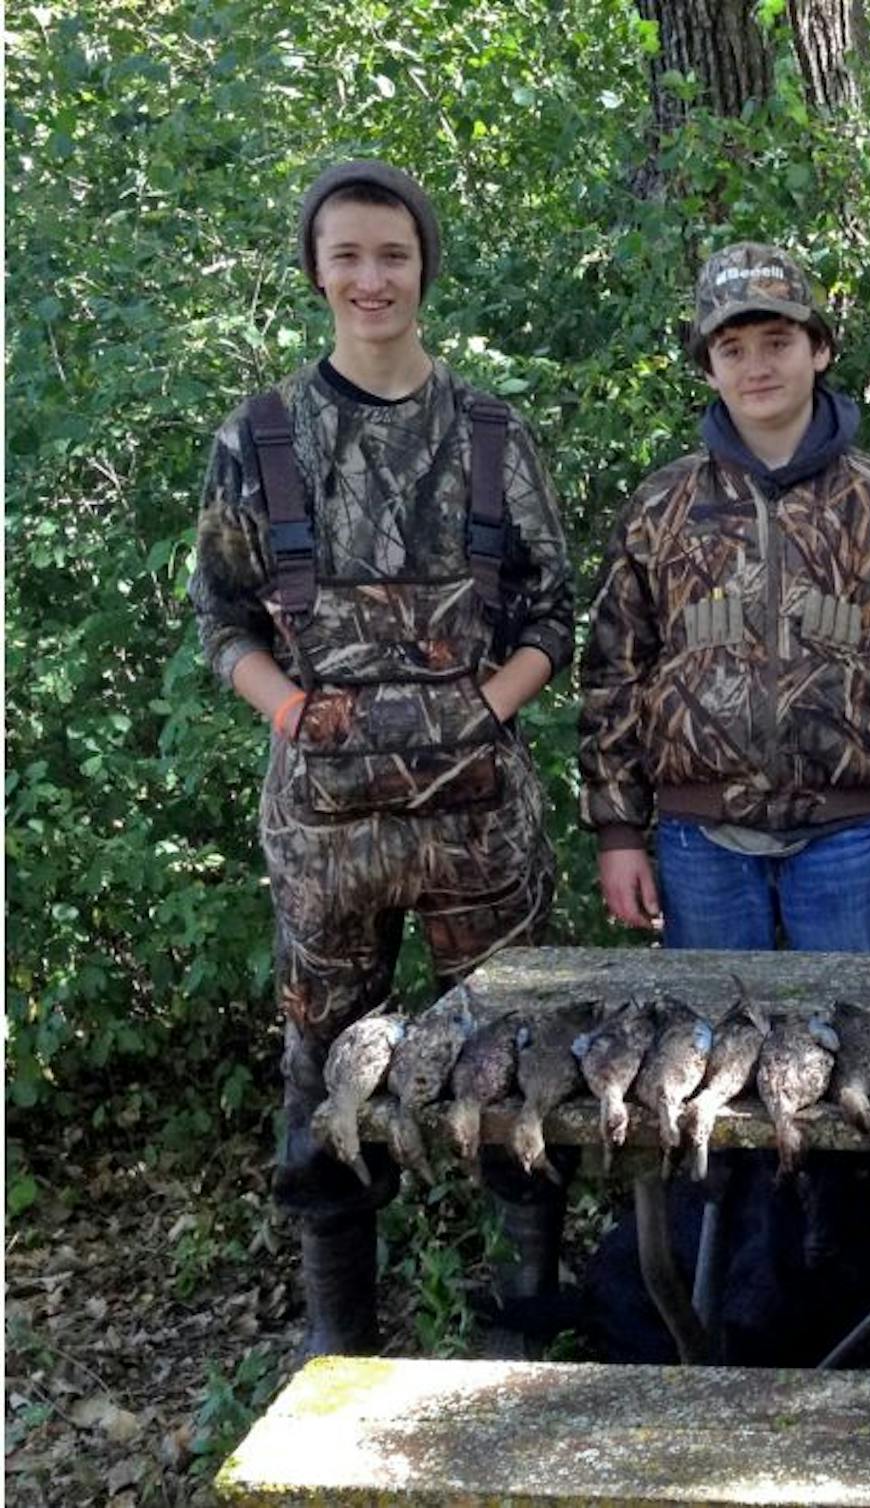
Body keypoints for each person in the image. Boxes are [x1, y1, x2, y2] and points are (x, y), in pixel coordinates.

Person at [189, 160, 575, 1358]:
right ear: (316, 270)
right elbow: (222, 621)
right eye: (347, 255)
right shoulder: (260, 436)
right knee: (324, 1076)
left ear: (424, 269)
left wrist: (485, 705)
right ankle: (337, 1341)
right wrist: (292, 710)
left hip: (481, 830)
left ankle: (522, 1322)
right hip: (326, 836)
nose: (372, 277)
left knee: (515, 1064)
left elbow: (553, 613)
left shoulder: (495, 434)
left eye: (393, 255)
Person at [577, 242, 870, 1359]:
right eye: (732, 346)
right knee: (713, 1072)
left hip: (850, 833)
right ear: (708, 364)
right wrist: (619, 828)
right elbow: (614, 672)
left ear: (820, 349)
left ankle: (860, 1304)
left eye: (777, 340)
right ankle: (729, 1296)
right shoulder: (662, 509)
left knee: (856, 1071)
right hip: (701, 839)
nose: (757, 364)